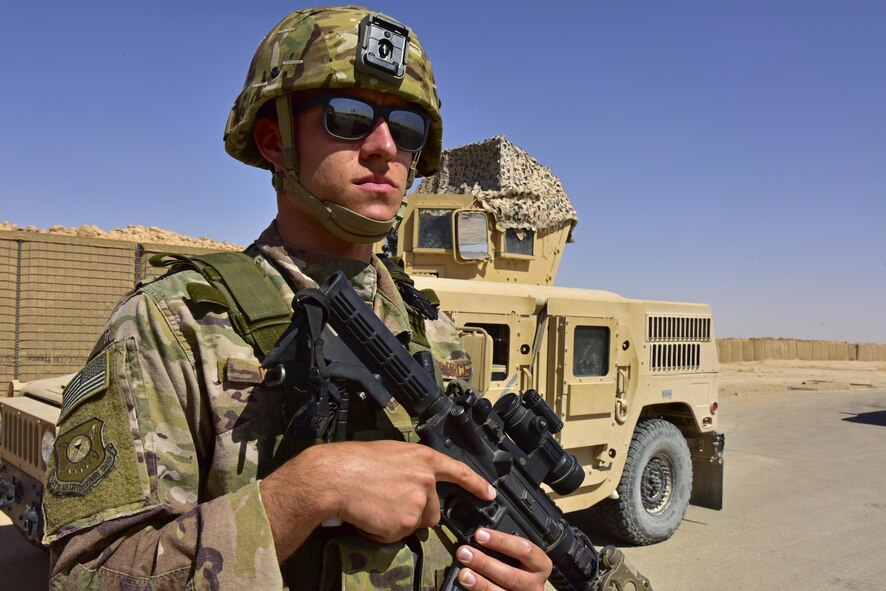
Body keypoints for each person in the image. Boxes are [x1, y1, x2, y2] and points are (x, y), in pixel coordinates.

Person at [42, 6, 553, 590]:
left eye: (407, 129)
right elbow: (87, 576)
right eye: (349, 118)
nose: (384, 146)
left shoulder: (434, 332)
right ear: (274, 140)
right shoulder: (175, 323)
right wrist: (306, 492)